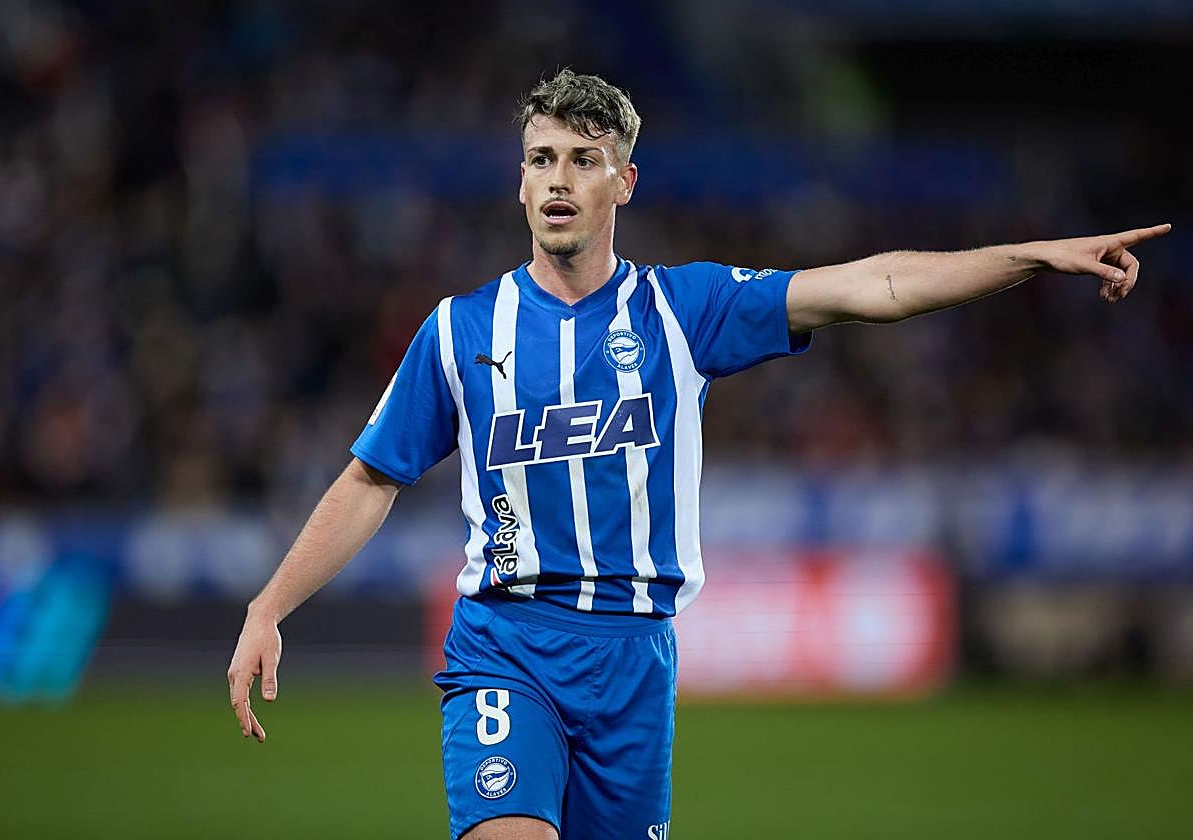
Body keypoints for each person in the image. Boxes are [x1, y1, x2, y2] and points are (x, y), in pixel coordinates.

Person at [227, 69, 1170, 839]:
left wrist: (1035, 254)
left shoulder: (684, 310)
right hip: (506, 646)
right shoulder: (460, 331)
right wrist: (270, 606)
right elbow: (370, 478)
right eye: (541, 159)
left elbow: (873, 286)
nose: (558, 180)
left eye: (584, 160)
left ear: (622, 183)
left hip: (637, 659)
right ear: (518, 181)